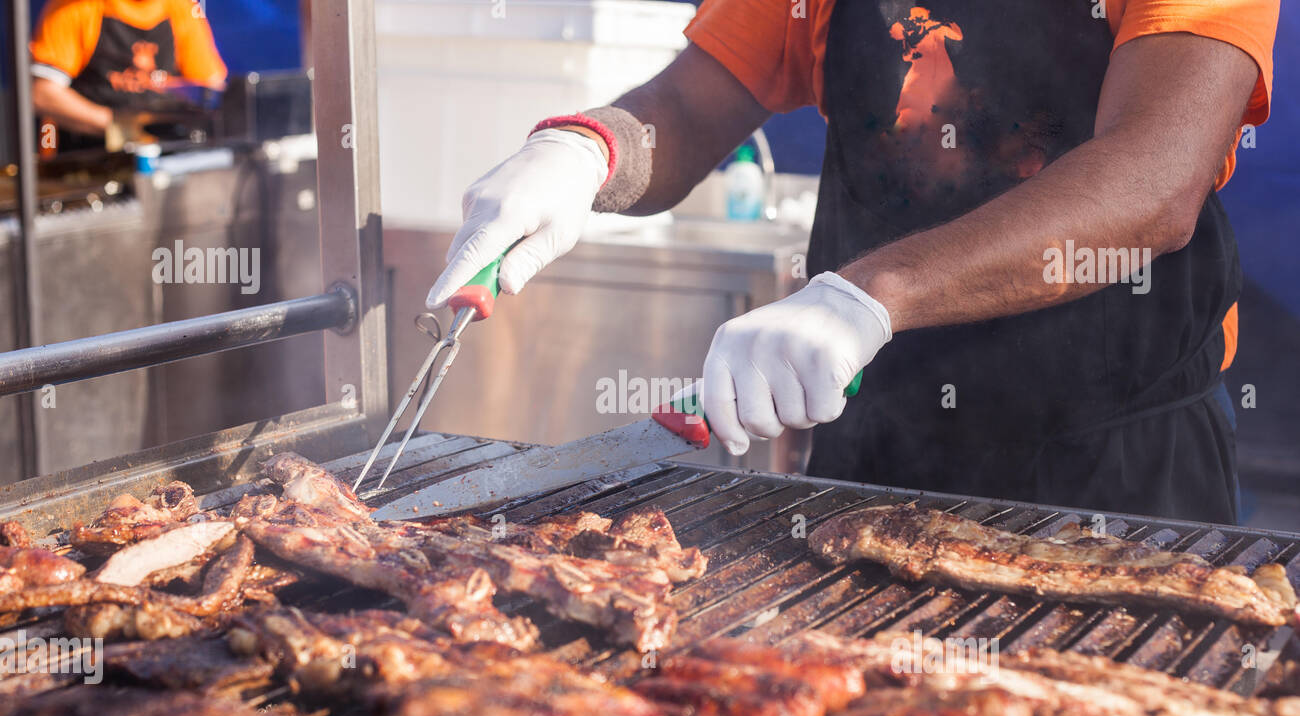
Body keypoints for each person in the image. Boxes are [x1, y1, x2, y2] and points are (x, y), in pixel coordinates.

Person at [426, 0, 1279, 524]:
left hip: (1121, 461)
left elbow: (1157, 176)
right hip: (875, 450)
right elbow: (692, 101)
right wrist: (586, 152)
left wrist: (869, 294)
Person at [29, 0, 226, 151]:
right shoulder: (76, 7)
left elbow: (210, 87)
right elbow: (42, 93)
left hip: (164, 158)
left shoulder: (181, 7)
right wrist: (119, 127)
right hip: (88, 162)